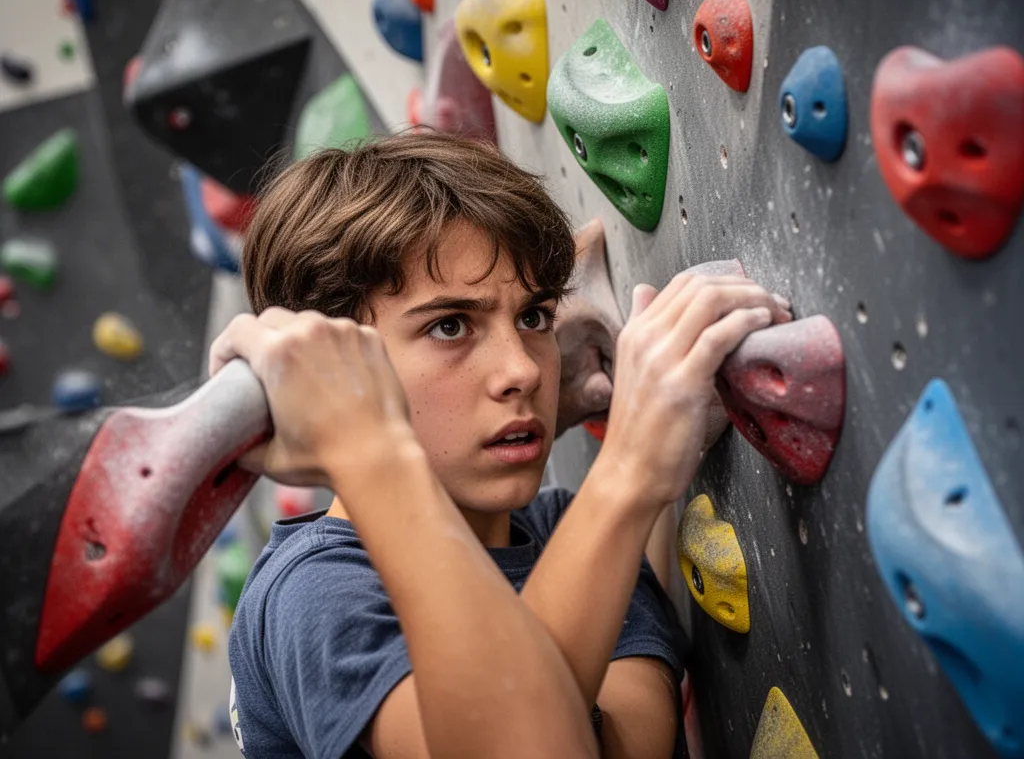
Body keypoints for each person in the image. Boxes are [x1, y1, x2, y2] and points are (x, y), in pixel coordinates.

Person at [213, 133, 791, 759]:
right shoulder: (317, 593)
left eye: (534, 317)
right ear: (335, 365)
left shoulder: (569, 531)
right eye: (450, 325)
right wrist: (631, 466)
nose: (523, 369)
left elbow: (627, 739)